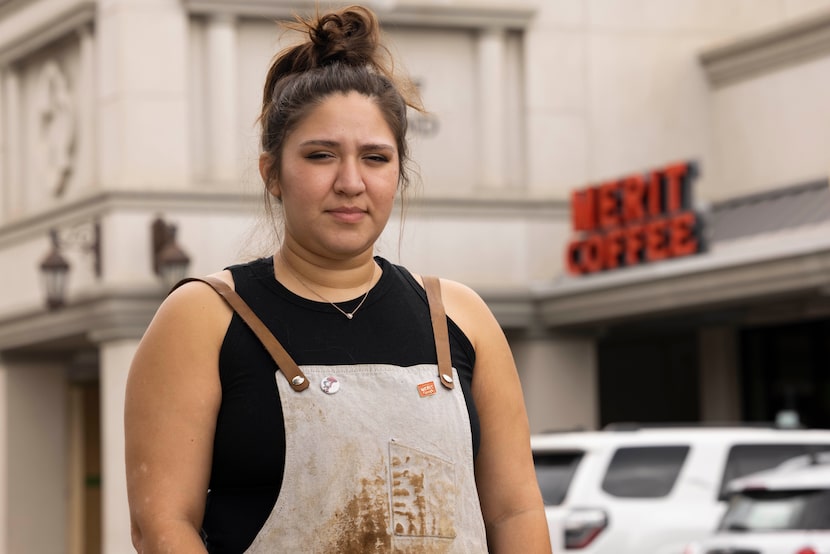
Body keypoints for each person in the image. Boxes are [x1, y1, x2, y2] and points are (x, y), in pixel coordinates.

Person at [124, 4, 551, 553]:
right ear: (272, 173)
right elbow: (162, 525)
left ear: (399, 171)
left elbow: (515, 510)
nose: (350, 182)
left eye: (375, 157)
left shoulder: (459, 317)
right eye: (321, 155)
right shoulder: (203, 317)